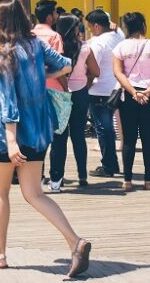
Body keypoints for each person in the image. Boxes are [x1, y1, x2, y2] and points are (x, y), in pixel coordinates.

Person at [0, 0, 89, 276]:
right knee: (35, 193)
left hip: (9, 134)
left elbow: (7, 101)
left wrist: (11, 141)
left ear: (0, 22)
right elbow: (65, 65)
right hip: (39, 131)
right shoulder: (36, 45)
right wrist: (39, 74)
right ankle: (75, 242)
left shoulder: (1, 53)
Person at [111, 12, 150, 192]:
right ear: (144, 25)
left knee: (128, 139)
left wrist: (133, 91)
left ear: (127, 27)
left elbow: (118, 72)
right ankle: (148, 180)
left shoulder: (121, 47)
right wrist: (148, 91)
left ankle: (127, 180)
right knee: (148, 138)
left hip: (128, 95)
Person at [48, 15, 100, 192]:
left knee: (59, 137)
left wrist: (65, 86)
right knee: (78, 135)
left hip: (60, 94)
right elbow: (96, 71)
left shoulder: (56, 47)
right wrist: (86, 82)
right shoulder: (85, 47)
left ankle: (57, 177)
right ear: (75, 29)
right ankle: (82, 175)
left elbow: (55, 70)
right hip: (80, 94)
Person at [85, 9, 122, 179]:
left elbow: (93, 69)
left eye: (91, 27)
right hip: (117, 89)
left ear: (97, 26)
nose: (91, 30)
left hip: (99, 89)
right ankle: (112, 162)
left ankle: (108, 165)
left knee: (103, 128)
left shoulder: (98, 43)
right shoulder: (118, 37)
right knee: (109, 128)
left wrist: (85, 85)